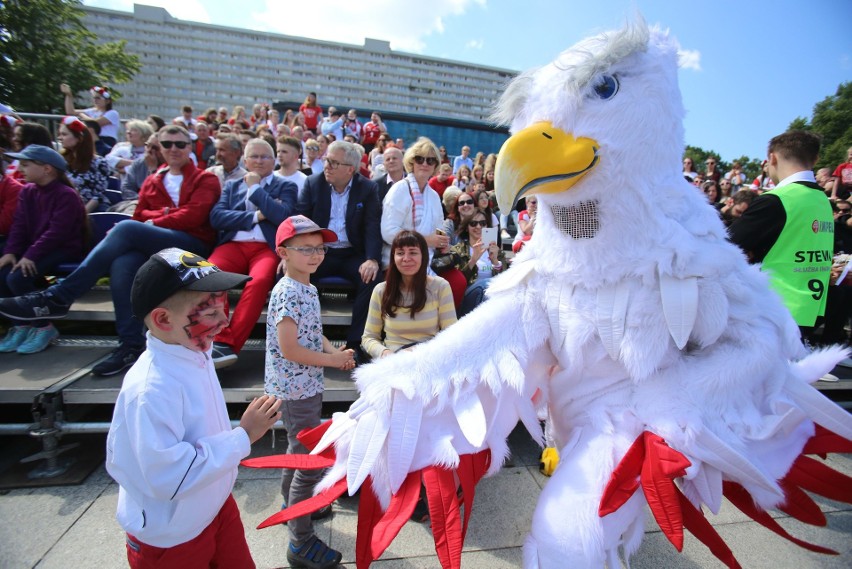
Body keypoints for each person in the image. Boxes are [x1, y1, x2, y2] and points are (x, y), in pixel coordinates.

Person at [107, 247, 281, 568]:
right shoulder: (151, 390)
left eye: (224, 307)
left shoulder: (193, 348)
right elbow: (169, 477)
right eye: (210, 313)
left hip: (214, 507)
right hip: (172, 536)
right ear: (163, 319)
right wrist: (244, 436)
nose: (224, 320)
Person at [0, 125, 221, 376]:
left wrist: (153, 220)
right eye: (167, 144)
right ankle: (130, 344)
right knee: (123, 263)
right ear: (159, 147)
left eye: (180, 144)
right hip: (158, 246)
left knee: (125, 229)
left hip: (192, 246)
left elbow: (193, 217)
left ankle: (59, 296)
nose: (174, 149)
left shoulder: (206, 179)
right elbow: (140, 215)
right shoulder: (152, 180)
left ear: (190, 148)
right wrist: (160, 217)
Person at [266, 215, 352, 569]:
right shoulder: (288, 292)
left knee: (296, 449)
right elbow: (290, 349)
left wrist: (334, 352)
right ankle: (300, 542)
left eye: (319, 248)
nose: (316, 255)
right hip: (294, 388)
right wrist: (332, 363)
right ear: (284, 252)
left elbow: (311, 335)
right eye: (305, 249)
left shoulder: (307, 287)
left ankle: (291, 507)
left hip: (305, 386)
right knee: (309, 462)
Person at [729, 131, 833, 337]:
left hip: (773, 313)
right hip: (809, 309)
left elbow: (726, 246)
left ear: (772, 158)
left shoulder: (777, 200)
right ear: (815, 159)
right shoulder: (822, 201)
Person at [208, 139, 298, 368]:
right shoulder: (231, 185)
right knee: (210, 275)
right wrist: (257, 216)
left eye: (265, 156)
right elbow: (217, 217)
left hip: (265, 248)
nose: (259, 161)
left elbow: (282, 215)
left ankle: (227, 347)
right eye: (254, 156)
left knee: (258, 283)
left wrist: (256, 189)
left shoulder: (286, 186)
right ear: (245, 160)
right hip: (233, 246)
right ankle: (219, 338)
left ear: (274, 160)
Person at [296, 140, 382, 359]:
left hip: (352, 252)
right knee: (294, 274)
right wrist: (297, 254)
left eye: (334, 162)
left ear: (350, 169)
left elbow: (372, 225)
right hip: (319, 251)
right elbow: (302, 223)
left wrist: (372, 258)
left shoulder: (367, 188)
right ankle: (306, 339)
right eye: (327, 160)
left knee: (372, 278)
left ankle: (356, 344)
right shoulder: (313, 183)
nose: (327, 166)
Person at [0, 145, 86, 354]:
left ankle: (43, 326)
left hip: (63, 248)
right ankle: (20, 324)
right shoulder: (28, 191)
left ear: (47, 169)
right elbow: (19, 225)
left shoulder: (66, 195)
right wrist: (10, 252)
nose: (20, 168)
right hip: (38, 248)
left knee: (17, 278)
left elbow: (57, 233)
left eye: (26, 164)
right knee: (3, 273)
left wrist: (30, 255)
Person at [362, 229, 456, 360]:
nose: (406, 258)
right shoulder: (381, 290)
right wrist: (385, 353)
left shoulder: (440, 287)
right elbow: (369, 338)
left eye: (413, 252)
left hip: (429, 359)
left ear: (423, 256)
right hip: (393, 361)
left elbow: (451, 335)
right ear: (393, 258)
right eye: (400, 253)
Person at [380, 138, 448, 270]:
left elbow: (439, 229)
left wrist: (442, 241)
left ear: (435, 166)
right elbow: (388, 232)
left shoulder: (434, 196)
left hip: (428, 257)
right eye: (419, 159)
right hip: (398, 259)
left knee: (458, 280)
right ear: (412, 162)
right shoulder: (399, 189)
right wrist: (426, 240)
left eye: (430, 160)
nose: (425, 164)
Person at [440, 209, 504, 317]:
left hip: (491, 298)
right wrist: (473, 260)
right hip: (467, 299)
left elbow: (506, 280)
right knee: (486, 284)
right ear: (467, 227)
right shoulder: (457, 251)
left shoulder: (495, 250)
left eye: (483, 223)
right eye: (473, 223)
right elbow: (458, 282)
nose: (478, 227)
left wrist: (495, 262)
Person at [57, 116, 111, 213]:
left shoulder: (100, 163)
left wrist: (81, 215)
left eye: (64, 134)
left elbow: (98, 196)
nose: (59, 138)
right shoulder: (60, 160)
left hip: (92, 209)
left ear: (79, 138)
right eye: (60, 134)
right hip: (64, 206)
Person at [61, 84, 120, 149]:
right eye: (94, 98)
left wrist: (81, 114)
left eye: (98, 98)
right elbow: (70, 111)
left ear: (107, 101)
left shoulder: (113, 113)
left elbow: (94, 124)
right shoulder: (91, 111)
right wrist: (69, 95)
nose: (95, 100)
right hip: (91, 138)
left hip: (106, 140)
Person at [119, 134, 164, 204]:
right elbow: (126, 188)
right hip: (135, 202)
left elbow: (158, 195)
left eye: (154, 148)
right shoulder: (138, 164)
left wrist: (153, 169)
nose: (149, 150)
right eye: (147, 145)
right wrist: (141, 200)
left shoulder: (172, 168)